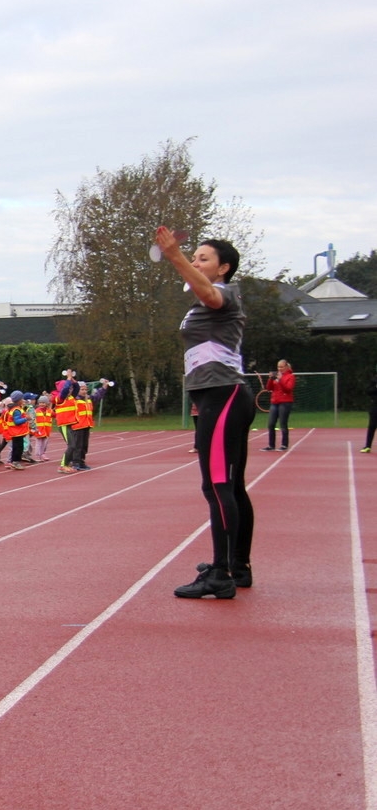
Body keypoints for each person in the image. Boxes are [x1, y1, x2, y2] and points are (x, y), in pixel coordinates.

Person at [155, 228, 254, 599]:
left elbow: (210, 294)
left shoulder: (225, 293)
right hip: (220, 396)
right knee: (231, 486)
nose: (195, 262)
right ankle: (237, 566)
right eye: (193, 257)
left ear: (223, 267)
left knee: (217, 486)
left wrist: (175, 256)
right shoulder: (205, 301)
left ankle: (221, 573)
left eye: (203, 258)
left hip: (223, 396)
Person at [263, 359, 294, 451]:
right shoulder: (276, 376)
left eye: (281, 367)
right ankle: (271, 445)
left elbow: (288, 389)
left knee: (283, 423)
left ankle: (284, 444)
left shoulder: (290, 376)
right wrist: (270, 378)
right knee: (271, 424)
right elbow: (268, 388)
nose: (279, 369)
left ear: (286, 367)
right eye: (278, 367)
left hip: (285, 402)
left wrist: (280, 379)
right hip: (275, 402)